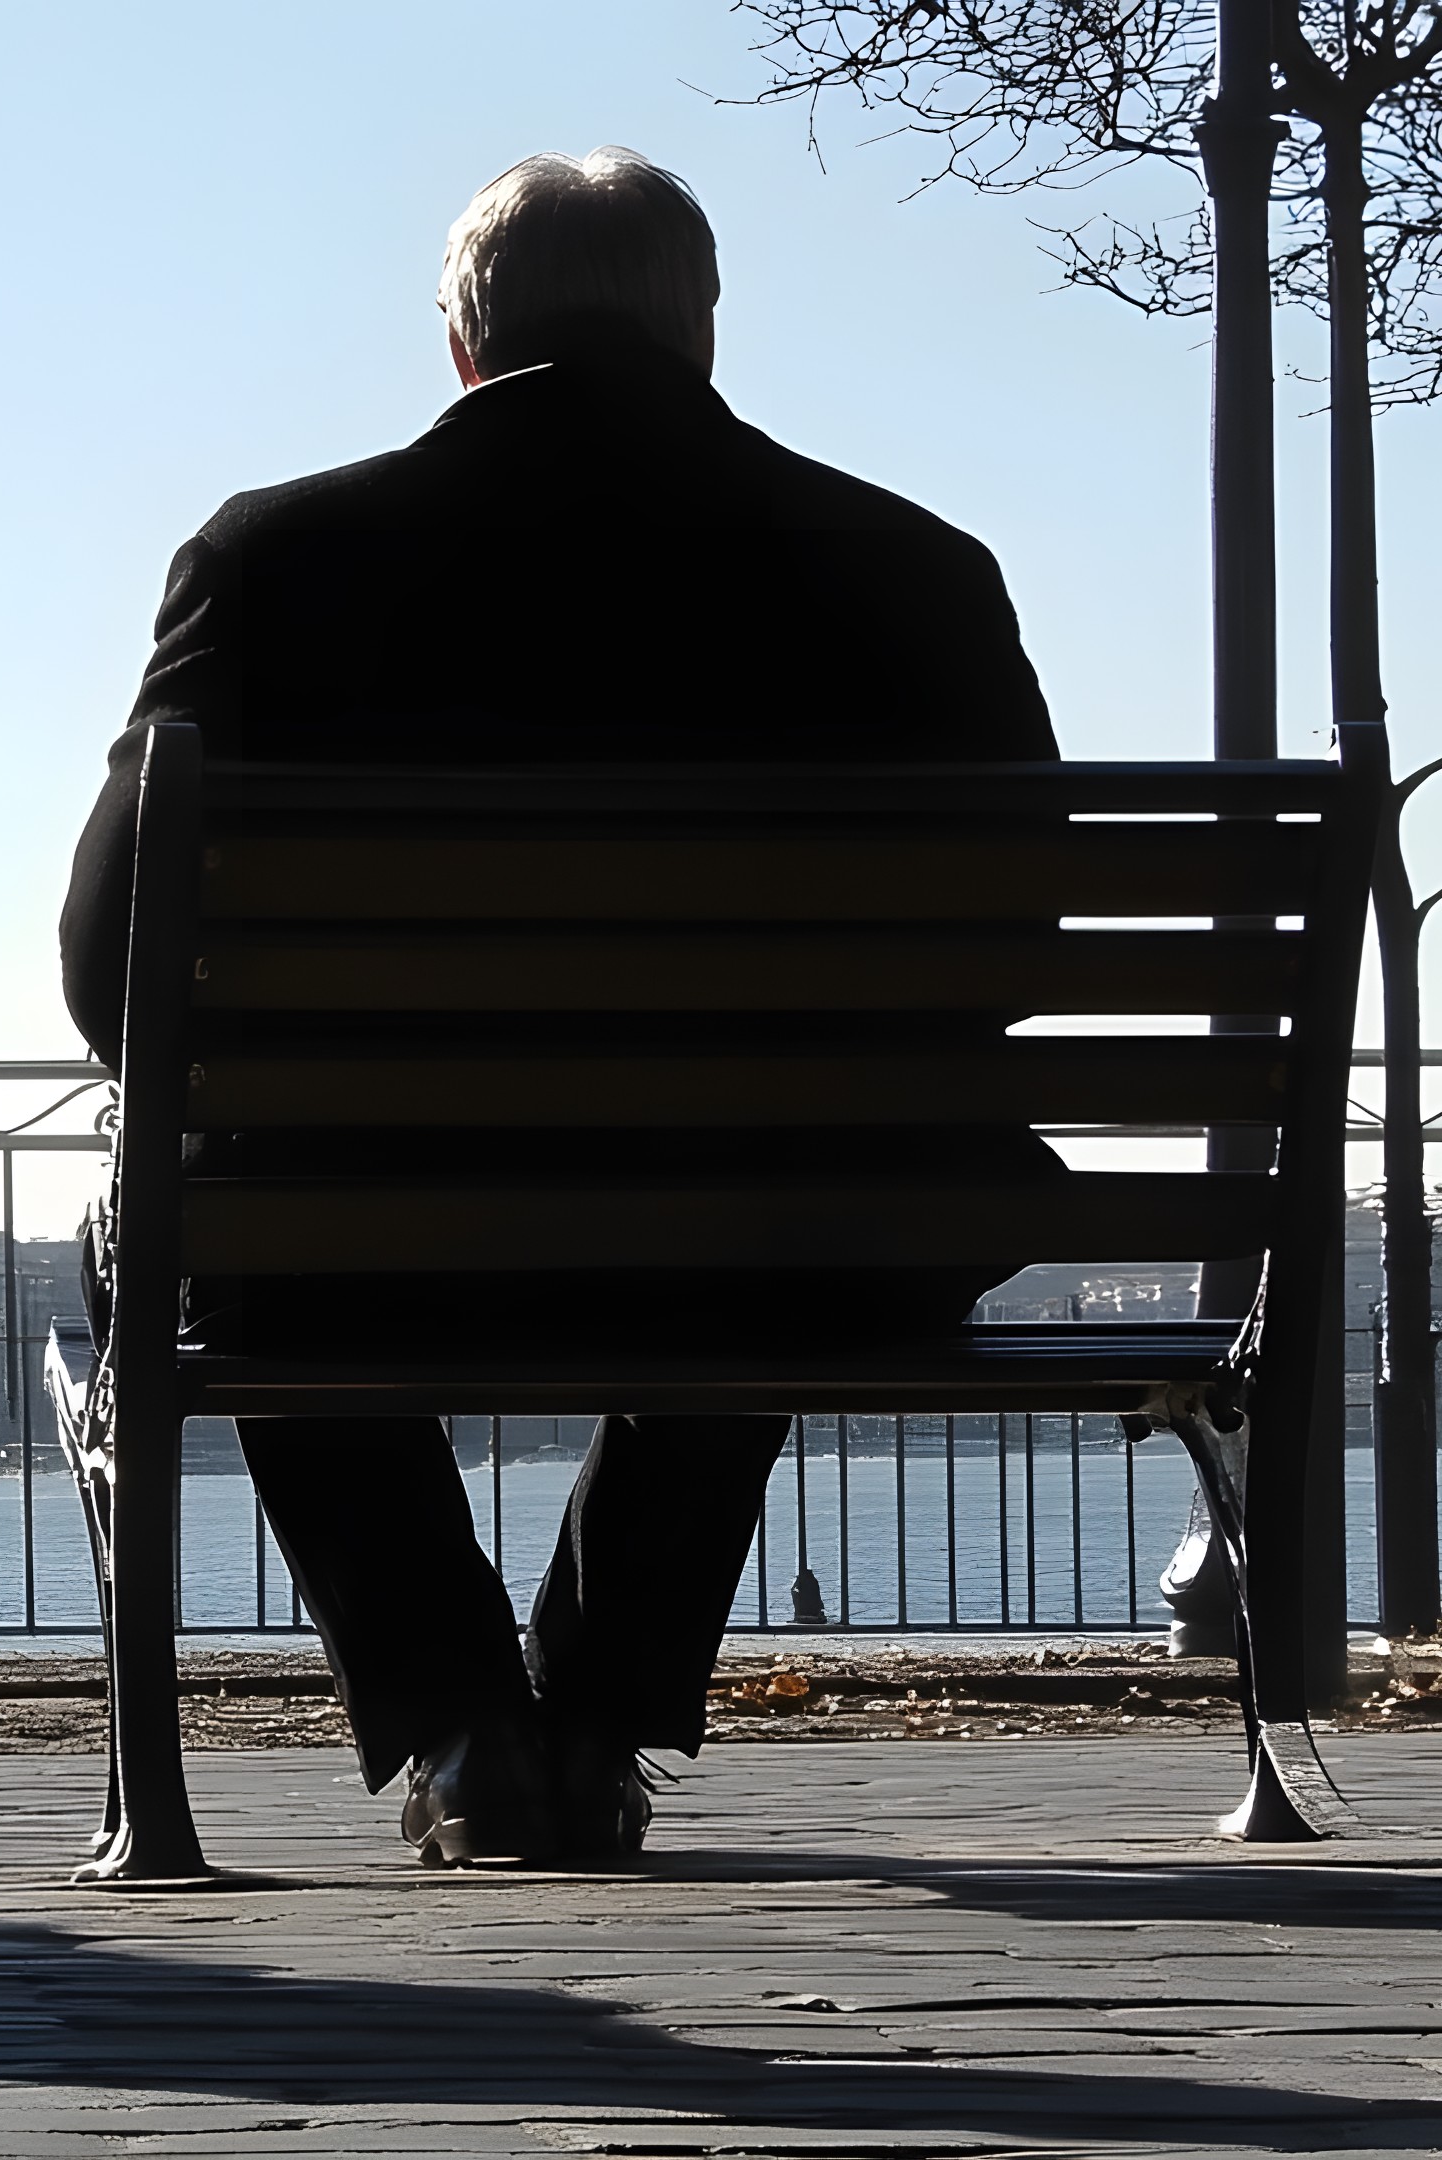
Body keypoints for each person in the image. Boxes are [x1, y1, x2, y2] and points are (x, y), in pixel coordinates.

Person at [56, 149, 1060, 1866]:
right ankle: (590, 1719)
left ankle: (462, 1724)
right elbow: (1019, 959)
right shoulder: (915, 570)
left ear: (463, 341)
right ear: (705, 331)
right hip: (801, 1226)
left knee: (193, 1222)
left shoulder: (275, 558)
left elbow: (108, 973)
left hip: (363, 1227)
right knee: (781, 1191)